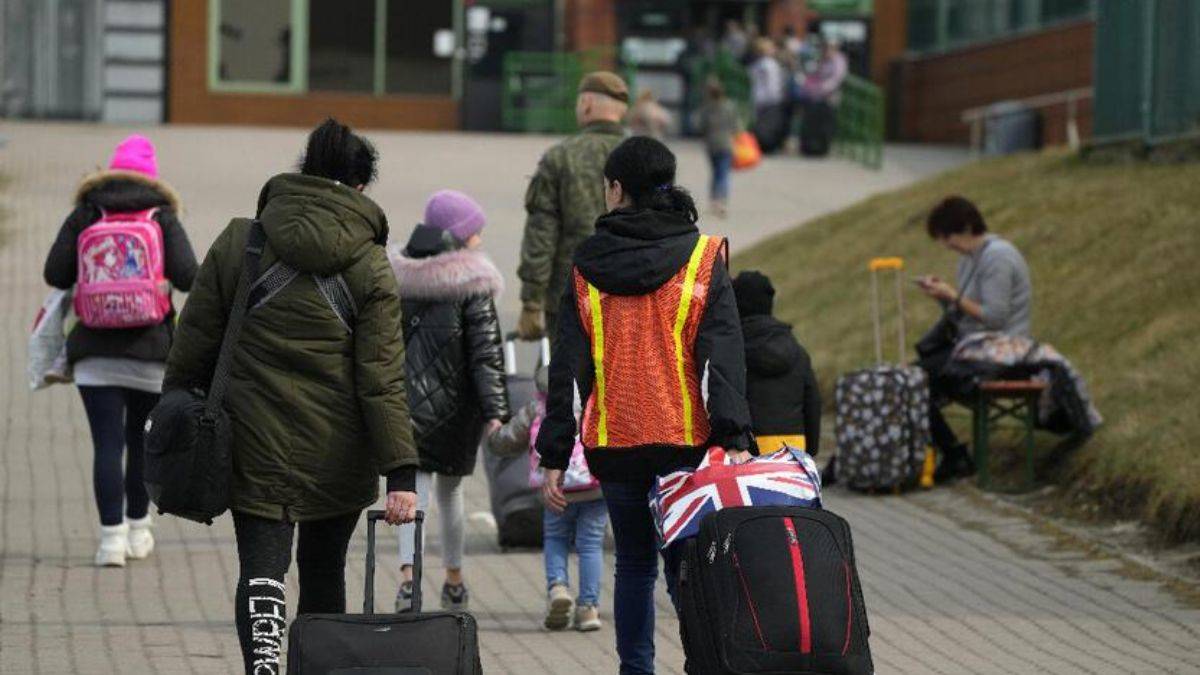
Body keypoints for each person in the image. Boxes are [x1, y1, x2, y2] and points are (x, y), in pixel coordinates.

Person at [162, 118, 419, 675]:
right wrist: (401, 473)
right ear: (358, 187)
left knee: (261, 568)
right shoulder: (371, 266)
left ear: (305, 170)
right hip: (338, 449)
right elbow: (382, 378)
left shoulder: (241, 241)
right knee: (324, 570)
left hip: (249, 439)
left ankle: (261, 667)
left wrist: (175, 408)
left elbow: (193, 342)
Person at [536, 136, 754, 674]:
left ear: (615, 189)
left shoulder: (585, 267)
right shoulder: (703, 258)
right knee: (687, 564)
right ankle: (707, 663)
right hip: (686, 440)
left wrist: (555, 454)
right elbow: (721, 357)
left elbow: (565, 369)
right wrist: (734, 436)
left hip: (614, 442)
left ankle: (636, 670)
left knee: (634, 564)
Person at [43, 134, 198, 567]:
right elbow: (189, 277)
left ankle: (109, 541)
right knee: (142, 443)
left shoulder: (86, 212)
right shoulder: (161, 216)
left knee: (106, 446)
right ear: (151, 177)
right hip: (150, 352)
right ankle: (138, 529)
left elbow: (55, 272)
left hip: (93, 353)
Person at [388, 190, 510, 612]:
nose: (479, 239)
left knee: (410, 494)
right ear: (459, 236)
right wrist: (496, 412)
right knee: (450, 494)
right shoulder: (472, 282)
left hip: (403, 407)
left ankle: (408, 579)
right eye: (474, 232)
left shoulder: (397, 274)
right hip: (456, 411)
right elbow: (486, 355)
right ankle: (454, 579)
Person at [915, 196, 1032, 482]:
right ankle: (953, 453)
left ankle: (955, 456)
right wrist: (943, 297)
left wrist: (952, 294)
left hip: (1002, 350)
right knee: (911, 379)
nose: (947, 244)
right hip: (974, 347)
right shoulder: (969, 260)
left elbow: (995, 318)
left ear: (967, 227)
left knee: (916, 380)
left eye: (948, 236)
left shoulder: (998, 257)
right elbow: (965, 313)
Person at [486, 366, 606, 632]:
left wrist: (493, 434)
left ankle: (558, 586)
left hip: (555, 487)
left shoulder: (537, 408)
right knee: (590, 544)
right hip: (595, 485)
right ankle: (588, 607)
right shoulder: (595, 400)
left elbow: (508, 441)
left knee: (555, 538)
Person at [518, 71, 629, 341]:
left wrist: (532, 301)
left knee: (569, 380)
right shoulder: (645, 156)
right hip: (633, 294)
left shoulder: (561, 157)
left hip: (571, 295)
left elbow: (542, 233)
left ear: (587, 103)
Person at [732, 271, 821, 456]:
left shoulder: (733, 349)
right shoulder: (797, 351)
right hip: (794, 447)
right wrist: (810, 451)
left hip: (747, 449)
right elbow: (812, 402)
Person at [697, 78, 742, 217]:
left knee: (715, 172)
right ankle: (721, 200)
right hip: (726, 144)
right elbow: (737, 127)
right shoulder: (730, 107)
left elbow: (701, 128)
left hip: (711, 144)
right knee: (723, 174)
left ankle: (714, 200)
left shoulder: (706, 109)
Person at [748, 38, 788, 154]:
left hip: (758, 97)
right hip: (771, 98)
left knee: (760, 123)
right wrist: (778, 96)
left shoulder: (756, 64)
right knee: (770, 125)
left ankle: (759, 145)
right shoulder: (770, 64)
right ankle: (768, 146)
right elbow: (772, 83)